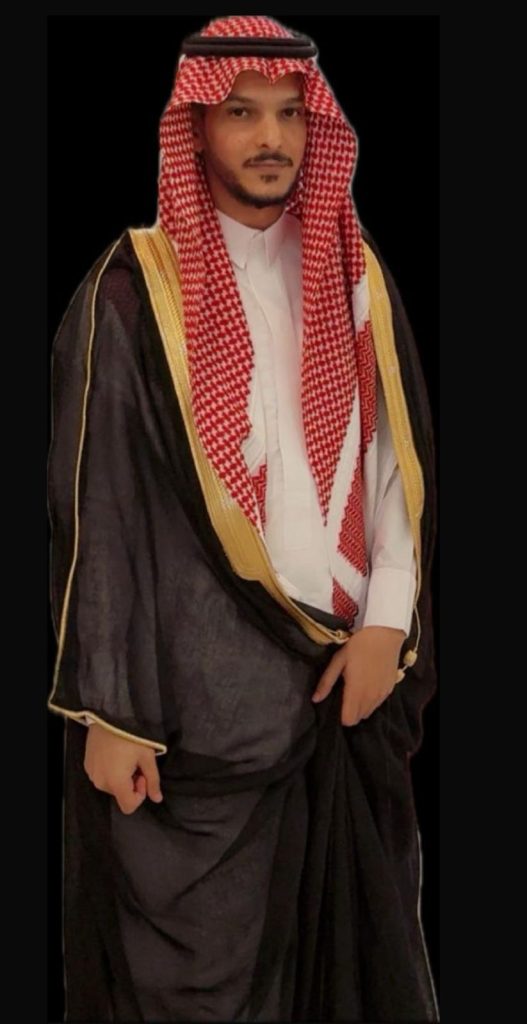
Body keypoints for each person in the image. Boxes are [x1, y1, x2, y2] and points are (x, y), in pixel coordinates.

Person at [48, 14, 438, 1023]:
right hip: (196, 719)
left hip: (343, 694)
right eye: (240, 114)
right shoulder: (134, 294)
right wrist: (112, 713)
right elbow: (101, 512)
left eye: (288, 115)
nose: (269, 138)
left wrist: (386, 624)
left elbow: (394, 467)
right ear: (195, 128)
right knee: (196, 985)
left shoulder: (353, 272)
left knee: (350, 968)